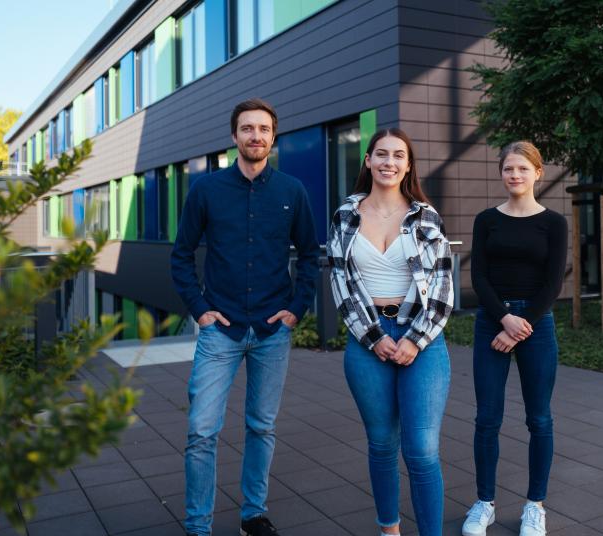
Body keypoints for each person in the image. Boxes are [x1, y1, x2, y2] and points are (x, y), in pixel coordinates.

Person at [171, 98, 320, 536]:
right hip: (221, 329)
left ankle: (252, 515)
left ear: (274, 137)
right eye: (247, 128)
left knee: (262, 426)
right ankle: (197, 526)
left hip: (273, 330)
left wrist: (296, 309)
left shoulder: (292, 191)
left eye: (264, 129)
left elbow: (310, 255)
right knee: (201, 430)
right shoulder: (205, 190)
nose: (256, 136)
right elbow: (181, 256)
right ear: (234, 136)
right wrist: (200, 311)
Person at [326, 128, 453, 536]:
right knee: (382, 444)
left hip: (423, 339)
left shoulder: (426, 216)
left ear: (408, 165)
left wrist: (414, 339)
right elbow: (340, 282)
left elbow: (443, 287)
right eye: (381, 154)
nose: (389, 162)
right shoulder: (345, 214)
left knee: (422, 451)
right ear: (367, 160)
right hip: (368, 337)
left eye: (399, 155)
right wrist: (373, 336)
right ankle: (390, 530)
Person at [462, 141, 568, 536]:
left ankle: (535, 505)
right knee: (487, 419)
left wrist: (521, 324)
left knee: (539, 418)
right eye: (509, 169)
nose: (515, 176)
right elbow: (478, 277)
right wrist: (504, 319)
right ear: (501, 173)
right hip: (493, 320)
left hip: (536, 325)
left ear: (538, 173)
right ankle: (484, 503)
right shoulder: (487, 219)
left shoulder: (553, 223)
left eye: (523, 169)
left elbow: (553, 281)